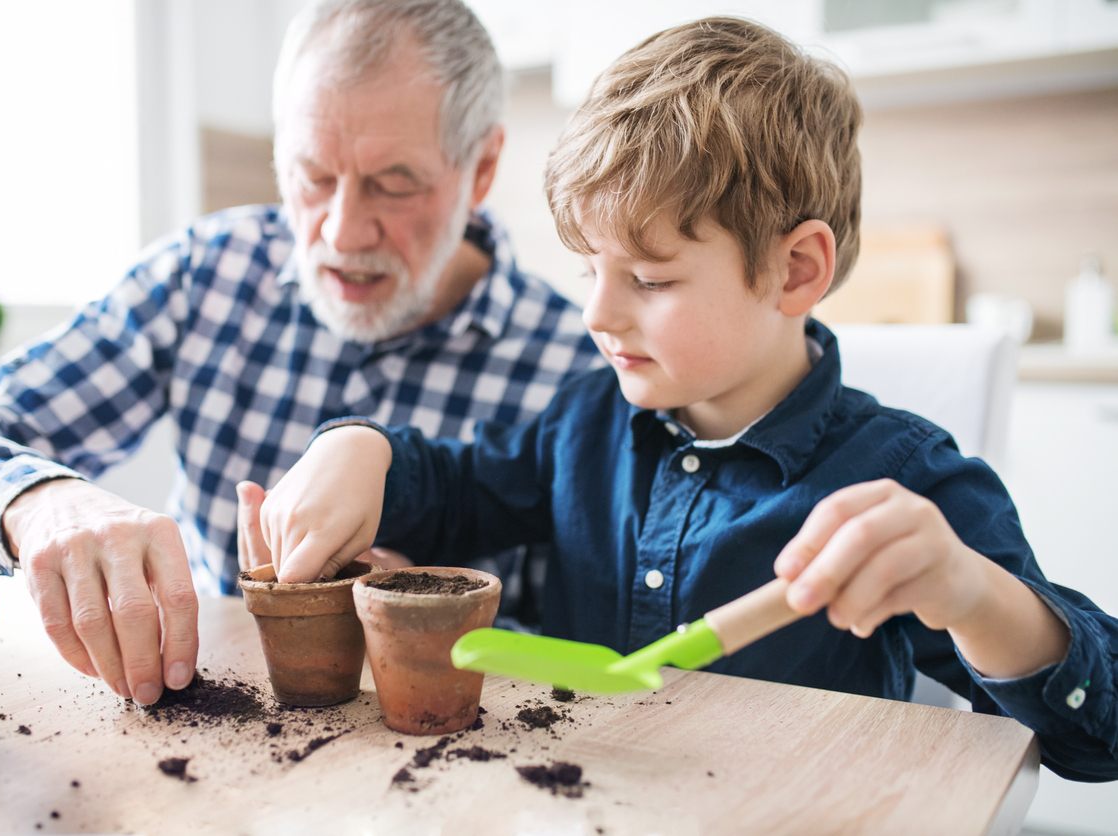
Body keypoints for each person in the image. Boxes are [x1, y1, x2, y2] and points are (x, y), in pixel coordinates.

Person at [257, 17, 1118, 781]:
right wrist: (360, 449)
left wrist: (972, 593)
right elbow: (449, 488)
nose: (597, 312)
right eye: (589, 270)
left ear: (796, 270)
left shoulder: (904, 484)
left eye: (651, 277)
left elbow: (1098, 736)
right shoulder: (584, 425)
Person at [0, 0, 600, 707]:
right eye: (313, 176)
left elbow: (589, 658)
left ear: (480, 170)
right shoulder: (207, 275)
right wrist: (42, 507)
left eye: (393, 183)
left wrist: (421, 619)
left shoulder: (588, 366)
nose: (342, 233)